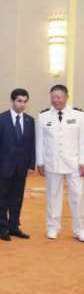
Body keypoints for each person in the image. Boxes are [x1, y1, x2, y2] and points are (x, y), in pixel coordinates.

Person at [36, 84, 84, 241]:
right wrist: (40, 161)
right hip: (52, 162)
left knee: (78, 196)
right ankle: (53, 227)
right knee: (53, 195)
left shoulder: (79, 115)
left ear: (66, 97)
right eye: (53, 97)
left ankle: (80, 229)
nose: (55, 100)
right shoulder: (43, 116)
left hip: (74, 163)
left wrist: (83, 161)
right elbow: (40, 141)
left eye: (58, 97)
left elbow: (82, 141)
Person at [0, 89, 35, 241]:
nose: (22, 104)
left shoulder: (30, 120)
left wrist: (31, 164)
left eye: (24, 101)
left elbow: (31, 144)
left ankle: (14, 226)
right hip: (4, 165)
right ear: (12, 101)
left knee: (17, 198)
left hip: (22, 166)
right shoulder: (0, 119)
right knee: (3, 198)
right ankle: (2, 228)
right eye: (19, 101)